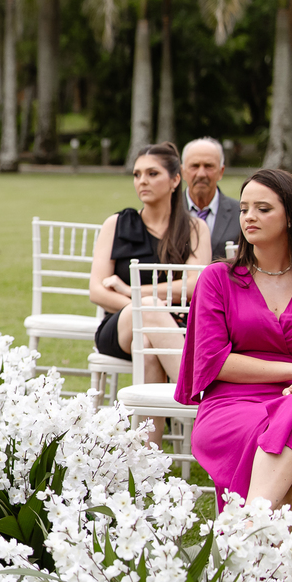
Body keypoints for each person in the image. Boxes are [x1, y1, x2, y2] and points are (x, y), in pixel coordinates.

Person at [176, 169, 292, 527]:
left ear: (291, 217)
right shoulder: (218, 279)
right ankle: (259, 536)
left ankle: (247, 532)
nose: (249, 217)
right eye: (244, 208)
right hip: (232, 405)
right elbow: (213, 363)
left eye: (263, 209)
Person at [89, 142, 211, 446]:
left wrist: (135, 291)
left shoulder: (195, 228)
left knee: (148, 342)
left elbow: (196, 285)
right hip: (120, 325)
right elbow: (97, 290)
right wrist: (143, 306)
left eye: (152, 173)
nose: (142, 181)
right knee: (148, 312)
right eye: (137, 174)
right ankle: (201, 398)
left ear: (175, 179)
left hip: (174, 329)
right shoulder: (116, 224)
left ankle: (148, 455)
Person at [182, 137, 239, 257]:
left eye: (208, 166)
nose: (201, 174)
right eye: (194, 166)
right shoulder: (167, 212)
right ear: (183, 172)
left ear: (221, 171)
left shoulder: (240, 214)